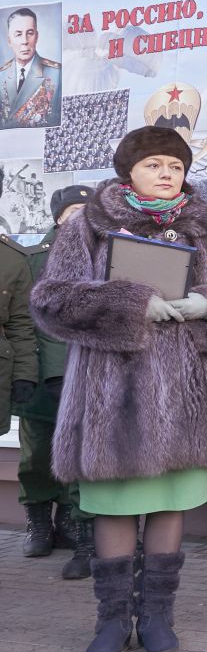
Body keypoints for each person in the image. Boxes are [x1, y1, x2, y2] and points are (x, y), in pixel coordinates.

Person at [31, 126, 207, 652]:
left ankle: (156, 618)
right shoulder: (88, 225)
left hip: (188, 402)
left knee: (171, 505)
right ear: (128, 171)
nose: (167, 174)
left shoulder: (206, 227)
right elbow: (51, 301)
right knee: (115, 508)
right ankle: (110, 621)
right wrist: (131, 306)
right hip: (114, 402)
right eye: (155, 164)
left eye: (175, 166)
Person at [16, 186, 93, 579]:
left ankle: (76, 526)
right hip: (39, 381)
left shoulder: (101, 259)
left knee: (79, 457)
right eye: (73, 210)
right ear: (58, 217)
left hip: (83, 378)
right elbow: (21, 322)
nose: (80, 217)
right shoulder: (31, 261)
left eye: (87, 210)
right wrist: (30, 374)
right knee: (35, 457)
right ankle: (39, 522)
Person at [1, 7, 61, 128]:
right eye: (18, 34)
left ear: (37, 37)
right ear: (9, 40)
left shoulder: (56, 74)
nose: (24, 41)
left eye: (30, 33)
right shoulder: (1, 74)